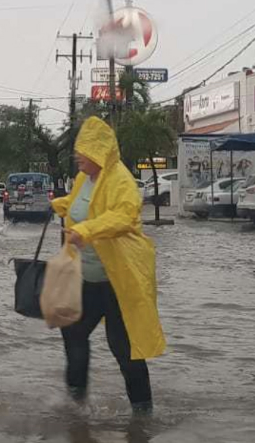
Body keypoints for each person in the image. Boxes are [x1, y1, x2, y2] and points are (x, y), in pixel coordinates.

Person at [51, 116, 166, 412]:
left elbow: (123, 216)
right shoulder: (82, 179)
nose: (77, 155)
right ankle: (76, 404)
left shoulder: (121, 180)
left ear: (99, 153)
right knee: (72, 331)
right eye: (77, 150)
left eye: (83, 151)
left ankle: (143, 413)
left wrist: (86, 230)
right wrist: (60, 205)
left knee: (124, 349)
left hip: (118, 280)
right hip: (87, 279)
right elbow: (82, 205)